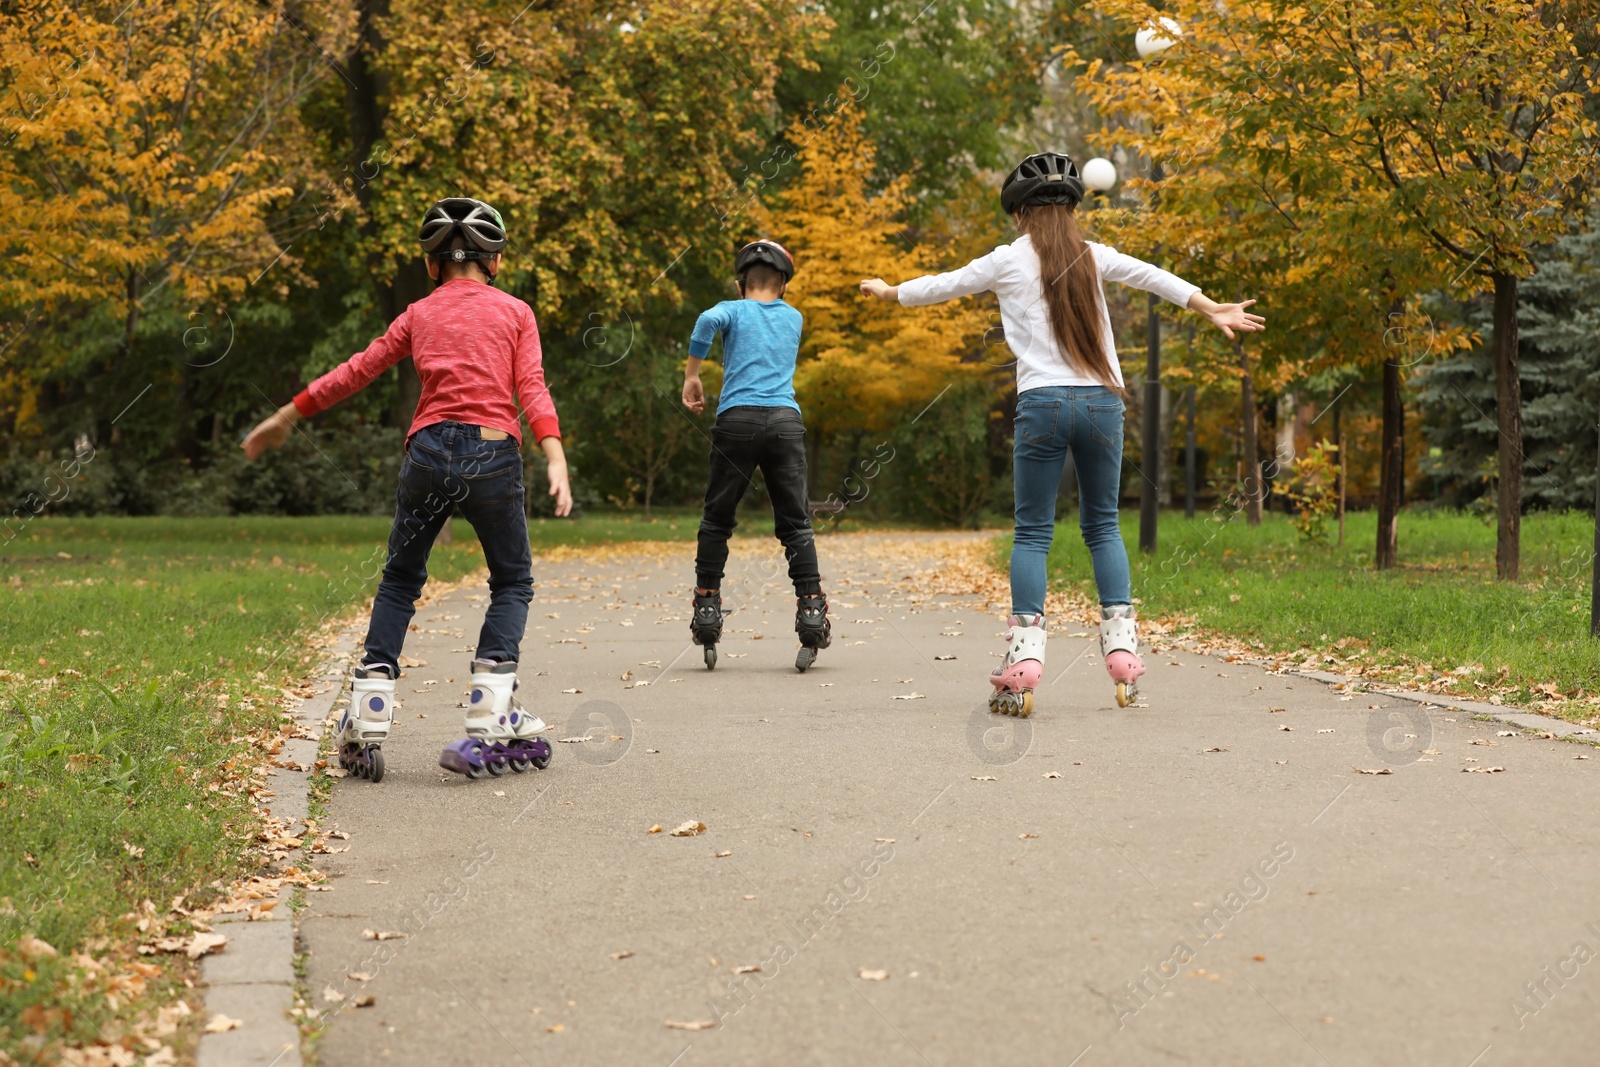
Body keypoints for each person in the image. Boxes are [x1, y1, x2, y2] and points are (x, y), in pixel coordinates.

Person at [860, 151, 1264, 714]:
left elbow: (944, 285)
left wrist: (890, 291)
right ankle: (1122, 653)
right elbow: (1153, 276)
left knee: (1032, 532)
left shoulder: (1006, 260)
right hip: (1102, 404)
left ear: (1021, 215)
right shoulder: (1094, 256)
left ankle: (1024, 662)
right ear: (1072, 210)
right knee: (1102, 525)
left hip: (1042, 404)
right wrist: (1207, 306)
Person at [241, 197, 572, 780]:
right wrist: (554, 454)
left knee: (400, 580)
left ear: (432, 265)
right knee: (513, 581)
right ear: (493, 260)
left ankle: (369, 715)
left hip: (426, 454)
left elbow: (357, 369)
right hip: (494, 453)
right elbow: (533, 388)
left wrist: (288, 415)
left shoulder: (418, 314)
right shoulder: (517, 312)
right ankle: (490, 710)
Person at [682, 239, 831, 673]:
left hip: (737, 424)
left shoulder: (730, 309)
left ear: (739, 283)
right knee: (795, 523)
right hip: (785, 424)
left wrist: (693, 375)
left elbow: (707, 318)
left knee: (717, 519)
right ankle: (811, 612)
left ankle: (707, 608)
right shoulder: (794, 316)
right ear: (783, 285)